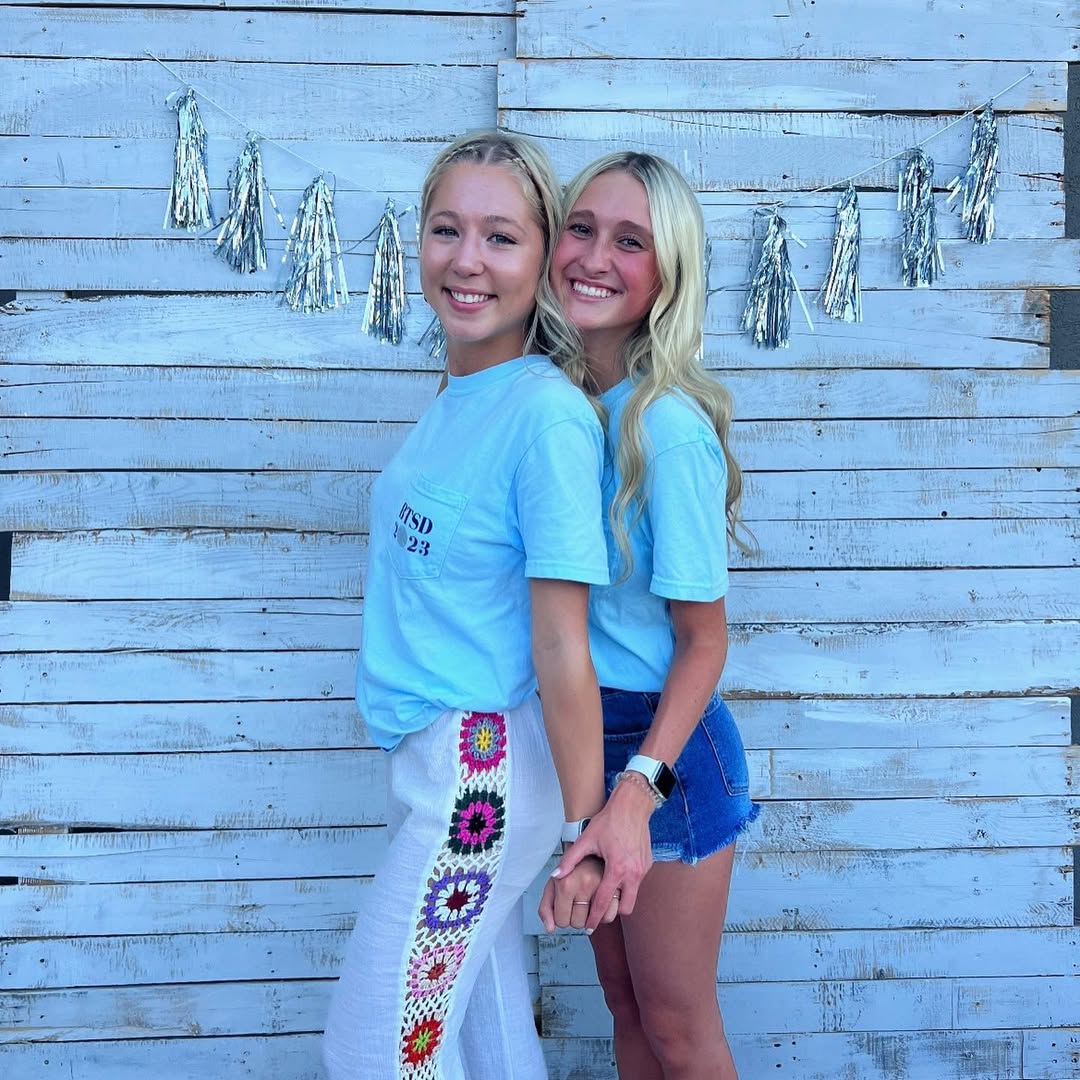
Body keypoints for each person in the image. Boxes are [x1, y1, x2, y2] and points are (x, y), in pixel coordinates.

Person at [322, 131, 650, 1080]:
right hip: (438, 760)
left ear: (542, 259)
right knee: (484, 1038)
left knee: (376, 1054)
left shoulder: (543, 415)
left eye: (500, 237)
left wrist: (586, 830)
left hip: (479, 779)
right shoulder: (460, 391)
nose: (467, 260)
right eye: (446, 229)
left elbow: (561, 642)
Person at [539, 152, 759, 1080]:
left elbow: (705, 642)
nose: (596, 257)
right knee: (625, 1005)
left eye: (630, 241)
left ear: (667, 274)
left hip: (662, 752)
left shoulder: (665, 428)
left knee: (677, 1024)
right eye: (582, 228)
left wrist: (636, 792)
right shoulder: (559, 407)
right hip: (585, 738)